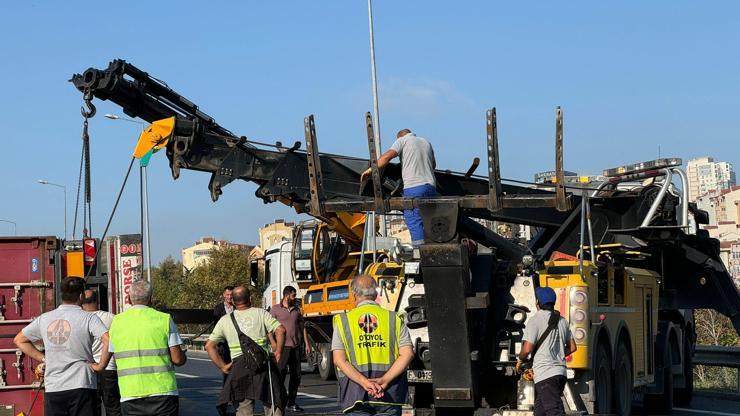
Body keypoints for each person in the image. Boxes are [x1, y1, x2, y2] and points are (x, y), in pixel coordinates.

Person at [13, 277, 110, 416]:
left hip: (54, 387)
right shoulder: (89, 318)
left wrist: (43, 358)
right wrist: (100, 366)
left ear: (62, 295)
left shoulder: (45, 318)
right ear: (81, 296)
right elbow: (108, 340)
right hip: (82, 385)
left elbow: (19, 340)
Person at [332, 275, 414, 415]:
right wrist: (384, 380)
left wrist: (364, 383)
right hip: (389, 394)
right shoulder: (394, 319)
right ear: (376, 293)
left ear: (354, 294)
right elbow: (408, 354)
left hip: (356, 395)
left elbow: (339, 360)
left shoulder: (343, 321)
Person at [108, 280, 187, 416]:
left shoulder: (117, 322)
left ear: (128, 298)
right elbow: (178, 359)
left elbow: (115, 357)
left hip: (130, 393)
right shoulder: (164, 319)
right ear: (151, 299)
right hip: (163, 393)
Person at [206, 286, 287, 416]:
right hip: (263, 365)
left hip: (239, 368)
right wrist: (278, 352)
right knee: (273, 402)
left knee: (244, 408)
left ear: (232, 301)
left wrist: (223, 366)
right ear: (250, 298)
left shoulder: (225, 320)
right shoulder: (261, 313)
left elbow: (209, 346)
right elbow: (281, 330)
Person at [361, 129, 437, 246]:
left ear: (399, 138)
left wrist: (371, 170)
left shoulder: (402, 140)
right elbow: (433, 165)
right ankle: (433, 248)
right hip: (431, 187)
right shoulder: (425, 142)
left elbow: (387, 157)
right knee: (429, 220)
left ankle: (420, 252)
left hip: (414, 187)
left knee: (413, 220)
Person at [517, 287, 578, 416]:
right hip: (560, 373)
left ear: (538, 302)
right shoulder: (563, 321)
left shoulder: (535, 321)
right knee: (540, 412)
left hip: (545, 375)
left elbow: (527, 349)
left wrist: (520, 359)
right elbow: (572, 347)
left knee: (554, 412)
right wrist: (557, 354)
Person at [81, 289, 121, 416]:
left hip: (88, 370)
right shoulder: (111, 318)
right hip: (109, 368)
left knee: (92, 407)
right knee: (113, 407)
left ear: (81, 302)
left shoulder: (80, 319)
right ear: (97, 301)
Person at [270, 285, 310, 412]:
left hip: (296, 347)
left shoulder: (297, 310)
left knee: (296, 376)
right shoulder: (275, 309)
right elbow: (268, 329)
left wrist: (307, 344)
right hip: (282, 348)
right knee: (280, 374)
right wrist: (273, 344)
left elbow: (302, 327)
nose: (295, 297)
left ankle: (292, 402)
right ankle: (279, 400)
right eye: (293, 295)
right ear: (287, 295)